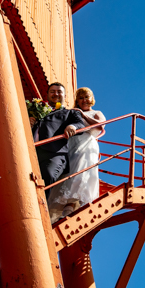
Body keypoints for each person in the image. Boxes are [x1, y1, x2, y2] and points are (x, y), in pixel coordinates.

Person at [48, 87, 105, 223]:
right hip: (71, 143)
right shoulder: (73, 112)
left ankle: (69, 209)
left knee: (79, 172)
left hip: (86, 143)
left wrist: (83, 115)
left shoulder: (96, 112)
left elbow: (101, 125)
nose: (84, 100)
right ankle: (60, 210)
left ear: (91, 99)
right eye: (81, 98)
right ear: (77, 101)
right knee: (66, 173)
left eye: (86, 97)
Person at [35, 82, 87, 199]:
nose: (56, 94)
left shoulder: (70, 113)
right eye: (52, 91)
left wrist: (72, 127)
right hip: (32, 151)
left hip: (54, 153)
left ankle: (41, 212)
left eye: (59, 92)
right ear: (47, 94)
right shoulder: (39, 110)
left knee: (47, 177)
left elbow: (80, 124)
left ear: (65, 96)